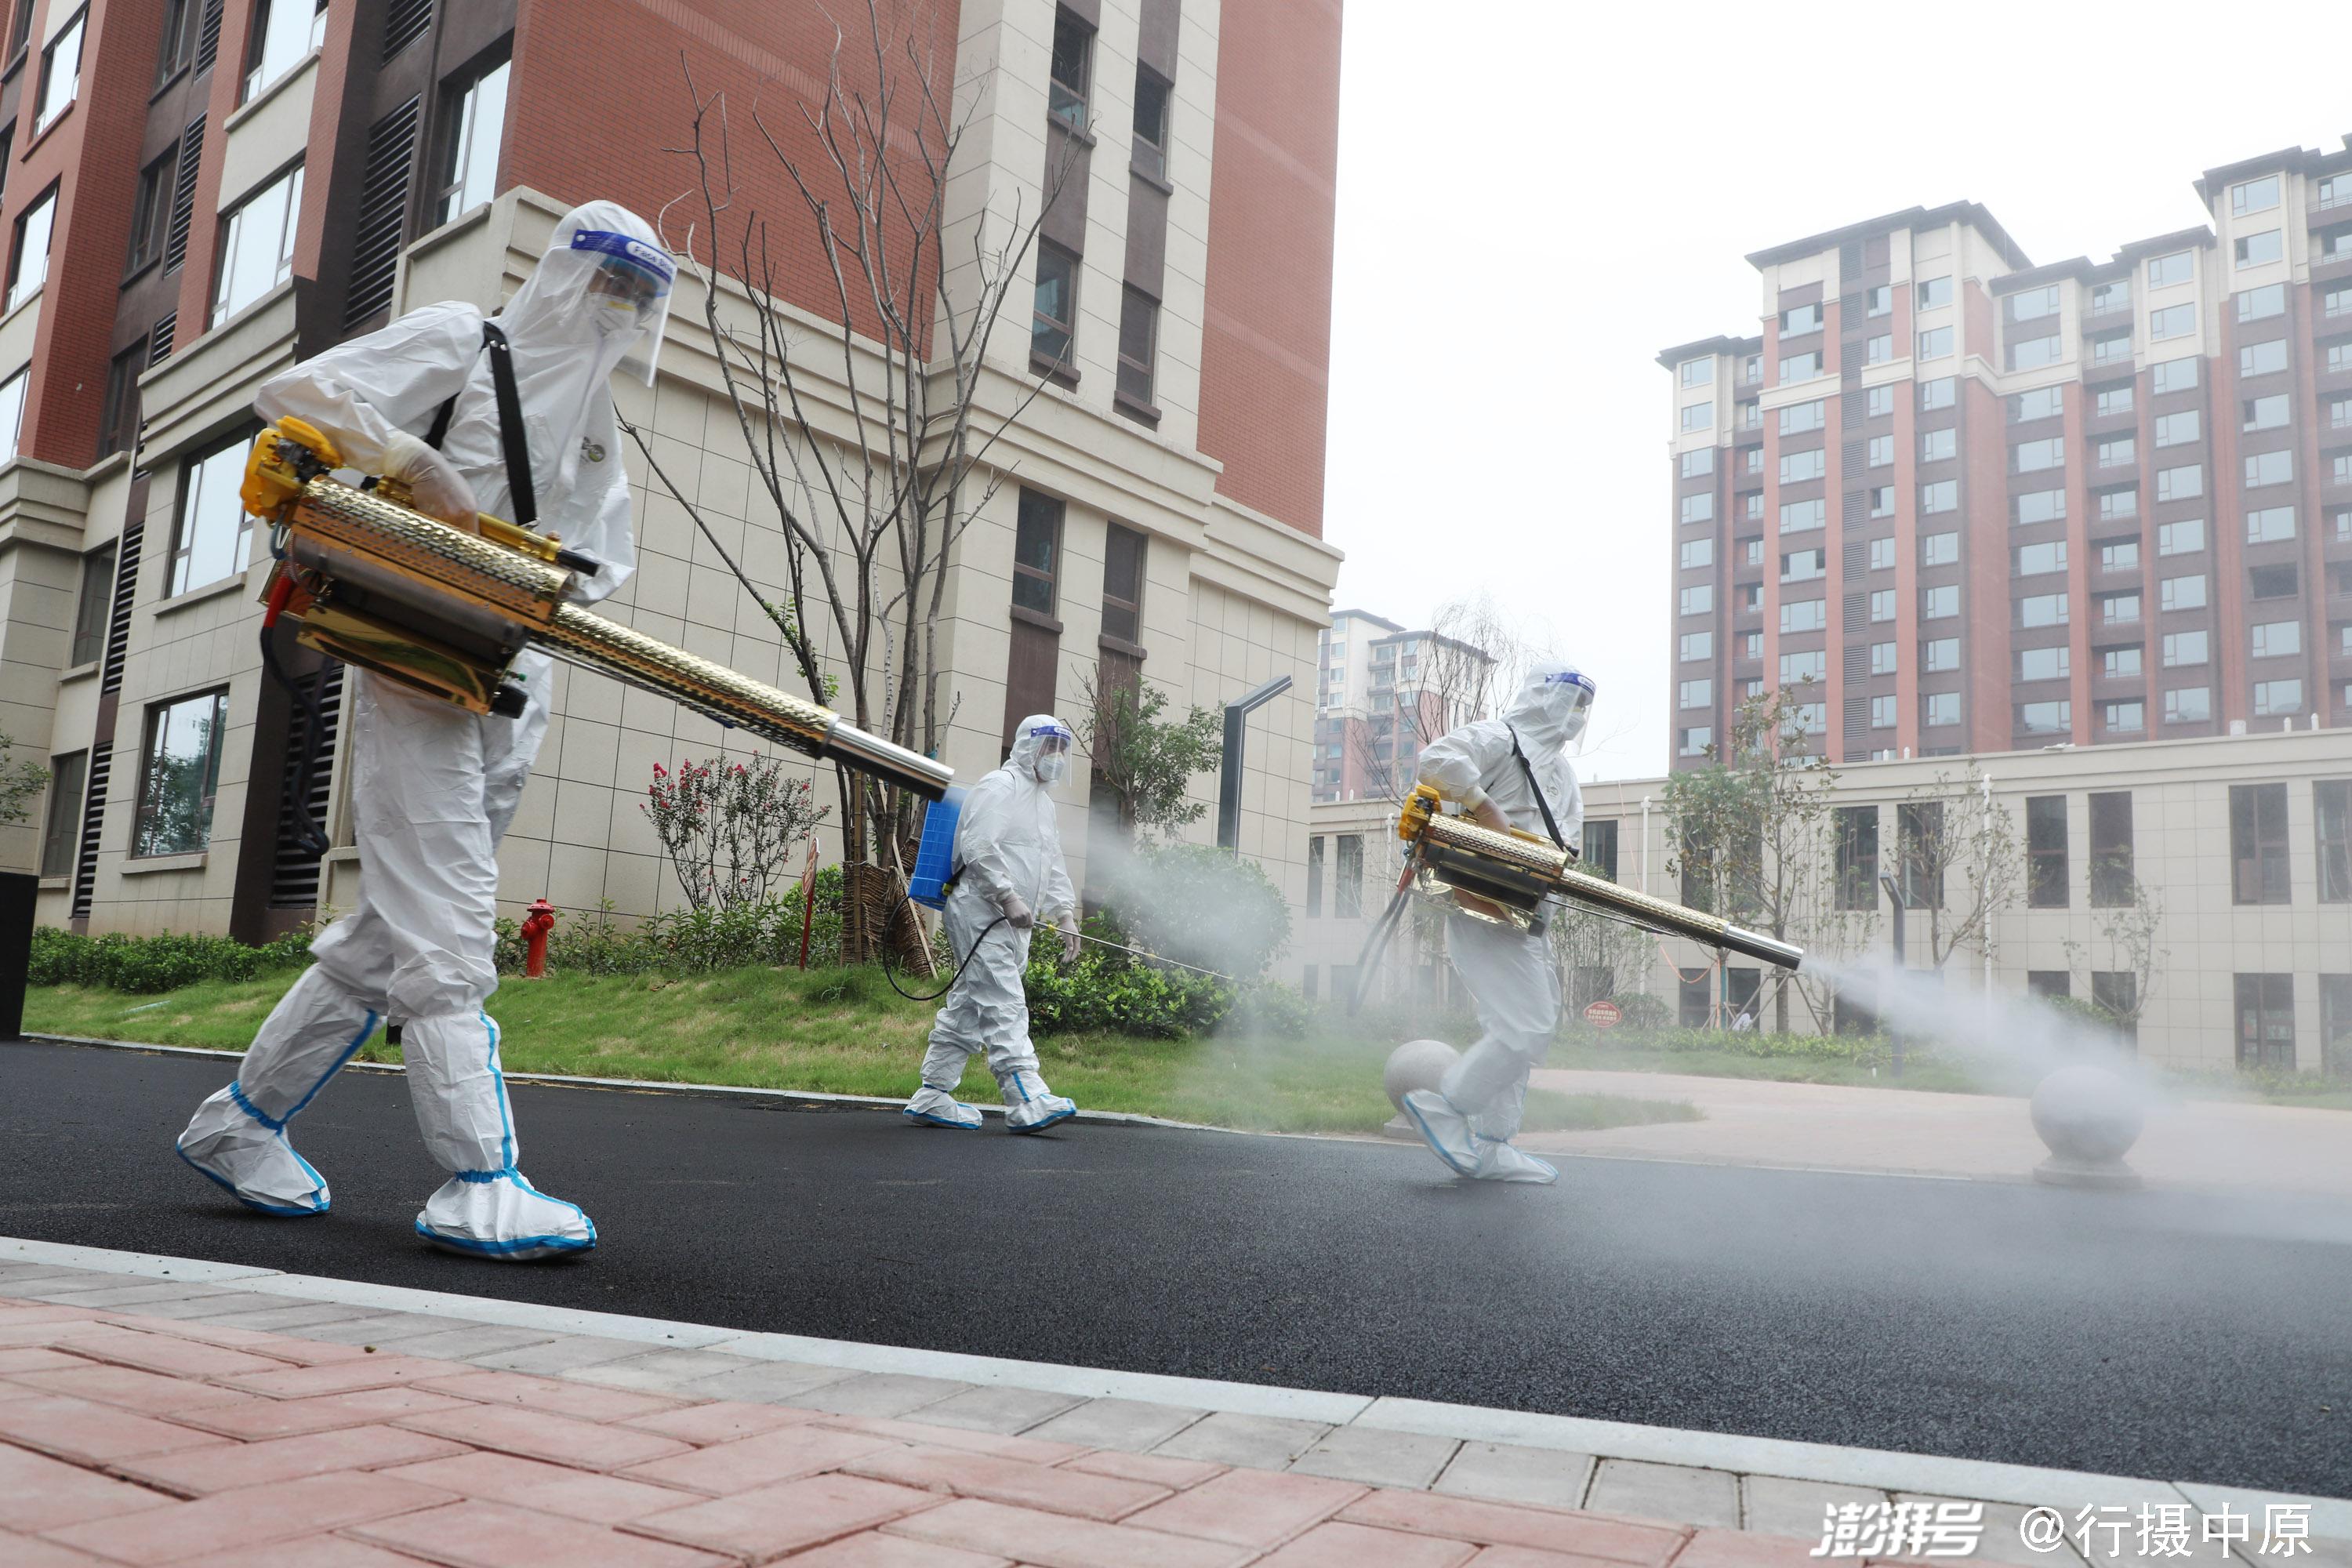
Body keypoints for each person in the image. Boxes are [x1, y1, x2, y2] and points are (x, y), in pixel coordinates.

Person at [175, 201, 674, 1258]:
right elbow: (297, 391)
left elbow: (601, 553)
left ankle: (241, 1124)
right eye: (609, 286)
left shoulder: (594, 424)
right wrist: (407, 457)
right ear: (563, 277)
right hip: (416, 666)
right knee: (447, 926)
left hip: (511, 683)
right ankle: (478, 1177)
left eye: (638, 299)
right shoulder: (463, 341)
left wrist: (546, 587)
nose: (618, 312)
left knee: (382, 939)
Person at [1399, 659, 1595, 1185]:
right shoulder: (1500, 738)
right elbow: (1437, 759)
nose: (1576, 716)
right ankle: (1448, 1105)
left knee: (1516, 1027)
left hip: (1529, 913)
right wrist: (1486, 809)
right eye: (1570, 702)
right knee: (1529, 1026)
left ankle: (1491, 1146)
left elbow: (1564, 845)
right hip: (1484, 904)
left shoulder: (1563, 774)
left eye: (1584, 708)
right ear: (1541, 697)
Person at [903, 715, 1083, 1133]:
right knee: (1004, 999)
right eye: (1049, 749)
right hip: (981, 910)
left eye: (1061, 750)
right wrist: (1007, 895)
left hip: (1011, 918)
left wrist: (1065, 913)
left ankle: (933, 1093)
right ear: (1026, 748)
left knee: (969, 1003)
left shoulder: (1042, 802)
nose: (1055, 758)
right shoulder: (1000, 787)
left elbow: (1051, 862)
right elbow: (978, 845)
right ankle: (1026, 1098)